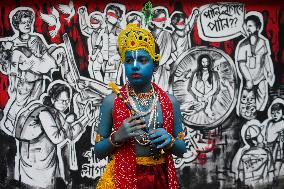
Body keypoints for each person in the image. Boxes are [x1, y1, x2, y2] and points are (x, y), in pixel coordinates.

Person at [95, 24, 186, 189]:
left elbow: (182, 149)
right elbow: (98, 151)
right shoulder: (112, 101)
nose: (135, 66)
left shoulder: (169, 102)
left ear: (155, 66)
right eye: (129, 60)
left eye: (143, 60)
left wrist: (170, 141)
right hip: (122, 179)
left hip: (160, 179)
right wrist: (117, 137)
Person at [16, 81, 92, 188]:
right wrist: (68, 122)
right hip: (35, 166)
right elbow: (57, 138)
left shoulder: (56, 114)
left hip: (45, 164)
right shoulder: (44, 113)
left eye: (67, 101)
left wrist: (86, 117)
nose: (65, 104)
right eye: (62, 101)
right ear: (53, 100)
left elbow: (70, 134)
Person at [236, 14, 274, 117]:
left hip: (261, 77)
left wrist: (269, 72)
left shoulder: (263, 42)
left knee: (262, 98)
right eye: (247, 26)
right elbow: (241, 64)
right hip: (249, 79)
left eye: (251, 26)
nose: (248, 28)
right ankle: (247, 117)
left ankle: (259, 116)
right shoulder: (243, 44)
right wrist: (248, 79)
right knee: (247, 100)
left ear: (258, 27)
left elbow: (266, 59)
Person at [190, 54, 219, 119]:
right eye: (203, 62)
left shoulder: (213, 74)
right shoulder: (196, 73)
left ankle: (208, 109)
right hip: (199, 97)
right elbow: (192, 87)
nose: (205, 64)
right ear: (200, 63)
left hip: (209, 97)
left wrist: (206, 96)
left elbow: (214, 88)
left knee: (208, 109)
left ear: (209, 63)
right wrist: (200, 95)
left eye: (206, 62)